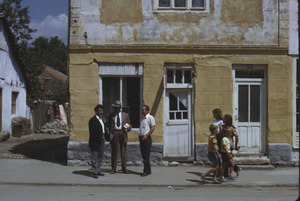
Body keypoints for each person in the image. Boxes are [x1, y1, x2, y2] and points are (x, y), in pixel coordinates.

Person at [107, 100, 131, 174]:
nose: (116, 109)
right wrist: (109, 134)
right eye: (115, 108)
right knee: (114, 151)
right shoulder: (110, 115)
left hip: (122, 133)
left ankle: (124, 168)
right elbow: (107, 126)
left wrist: (127, 128)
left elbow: (130, 125)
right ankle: (113, 168)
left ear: (120, 108)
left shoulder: (125, 115)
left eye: (117, 108)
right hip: (114, 133)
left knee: (123, 151)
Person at [88, 104, 107, 179]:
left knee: (100, 155)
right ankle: (94, 171)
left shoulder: (102, 119)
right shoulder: (92, 120)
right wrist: (99, 137)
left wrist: (105, 136)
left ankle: (98, 169)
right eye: (100, 111)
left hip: (102, 139)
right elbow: (92, 132)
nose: (101, 112)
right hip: (95, 141)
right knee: (94, 156)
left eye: (102, 111)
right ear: (96, 112)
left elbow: (104, 129)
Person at [139, 105, 155, 177]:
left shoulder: (150, 117)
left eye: (143, 110)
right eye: (141, 110)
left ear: (147, 111)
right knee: (143, 155)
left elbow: (153, 127)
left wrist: (147, 135)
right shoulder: (143, 119)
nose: (142, 111)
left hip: (146, 139)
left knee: (146, 155)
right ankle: (148, 170)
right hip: (141, 138)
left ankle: (146, 171)